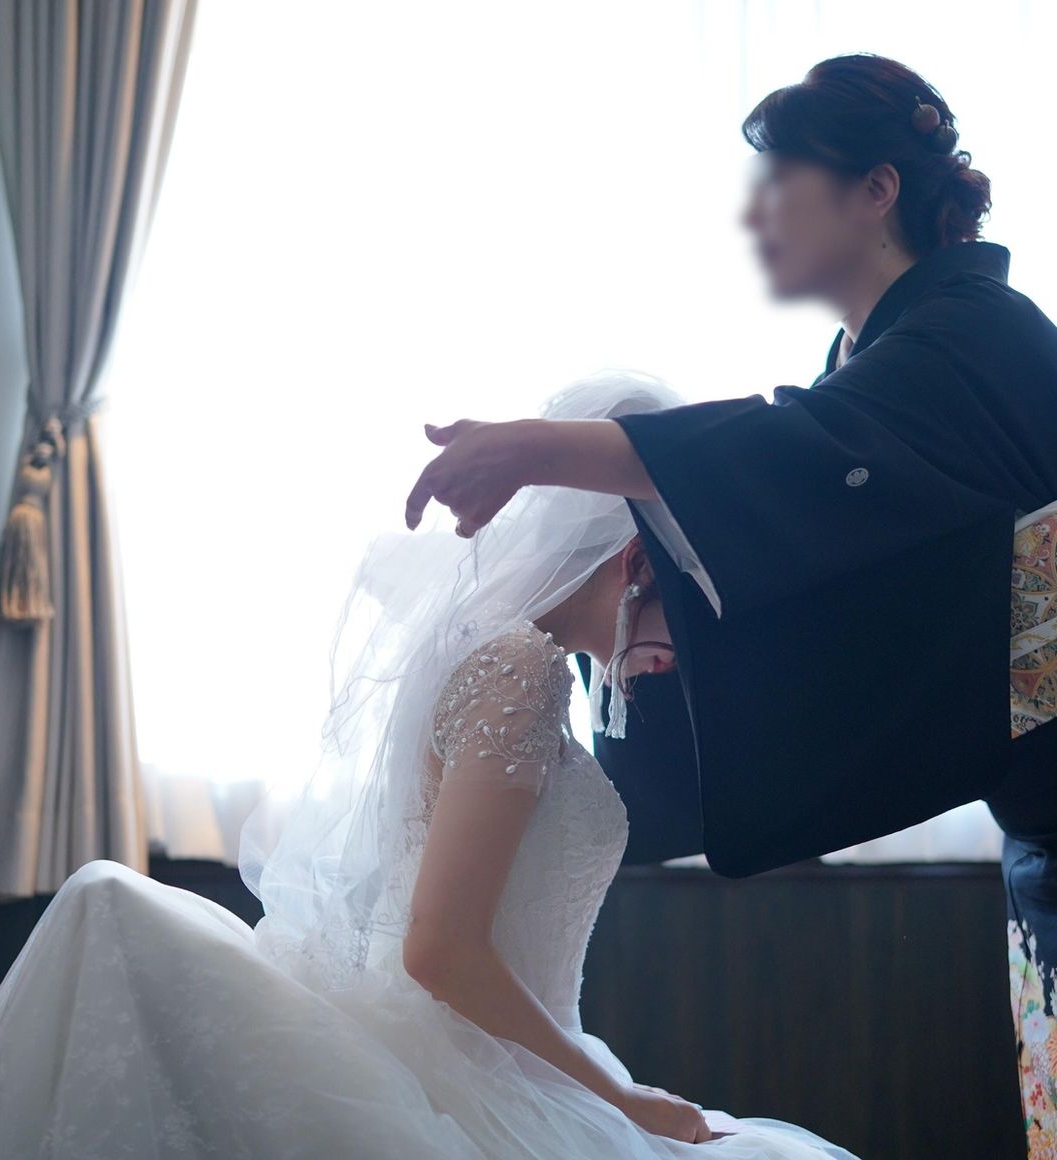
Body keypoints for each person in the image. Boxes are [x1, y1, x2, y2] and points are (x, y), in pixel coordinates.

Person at [0, 373, 861, 1158]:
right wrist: (619, 1098)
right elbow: (440, 950)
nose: (685, 653)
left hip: (513, 1065)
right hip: (472, 1078)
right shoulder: (517, 669)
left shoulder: (502, 655)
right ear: (634, 568)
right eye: (689, 612)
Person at [403, 53, 1057, 1157]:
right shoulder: (869, 358)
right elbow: (824, 578)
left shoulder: (975, 328)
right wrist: (664, 651)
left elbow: (797, 454)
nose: (754, 215)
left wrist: (537, 448)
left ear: (876, 189)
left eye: (780, 181)